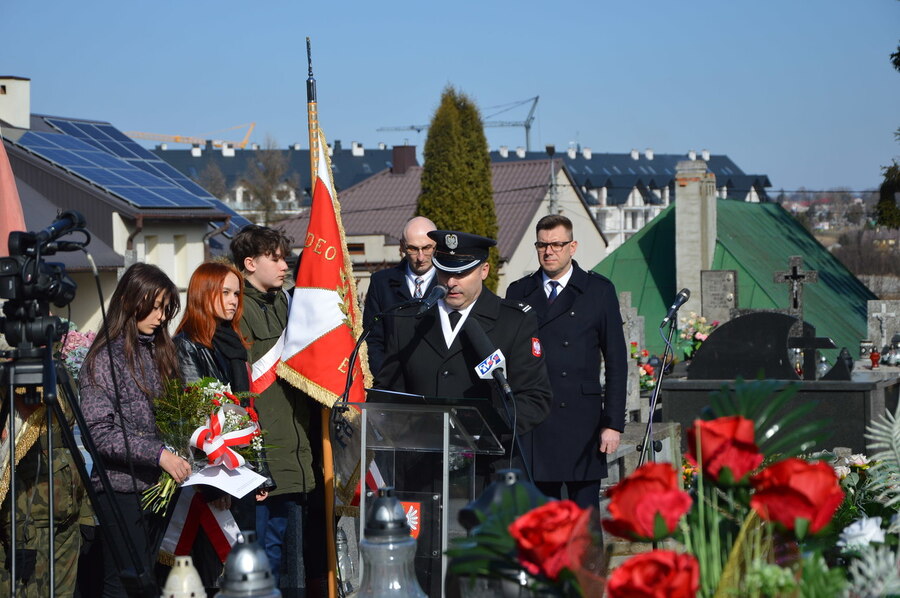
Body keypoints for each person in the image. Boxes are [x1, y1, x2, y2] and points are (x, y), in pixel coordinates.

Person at [375, 230, 553, 478]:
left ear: (484, 271)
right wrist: (412, 431)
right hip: (421, 472)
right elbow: (388, 394)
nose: (451, 282)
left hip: (488, 472)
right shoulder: (408, 321)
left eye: (461, 273)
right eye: (444, 272)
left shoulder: (513, 321)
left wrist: (478, 429)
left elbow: (534, 399)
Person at [79, 263, 192, 596]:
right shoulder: (104, 358)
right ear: (130, 301)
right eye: (154, 307)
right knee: (124, 582)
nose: (160, 317)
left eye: (166, 309)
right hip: (120, 489)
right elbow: (99, 433)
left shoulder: (162, 351)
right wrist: (159, 455)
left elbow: (175, 415)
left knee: (151, 581)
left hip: (161, 487)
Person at [505, 214, 628, 509]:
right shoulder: (519, 292)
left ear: (572, 247)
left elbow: (616, 361)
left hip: (582, 422)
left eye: (557, 244)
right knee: (540, 518)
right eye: (542, 245)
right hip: (535, 422)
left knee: (584, 519)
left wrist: (613, 424)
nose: (549, 251)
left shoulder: (598, 290)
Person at [173, 260, 272, 596]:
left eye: (236, 293)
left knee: (242, 572)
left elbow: (247, 412)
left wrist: (261, 471)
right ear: (204, 294)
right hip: (213, 479)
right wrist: (214, 487)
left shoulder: (232, 342)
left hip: (240, 473)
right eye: (225, 293)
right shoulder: (187, 345)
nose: (233, 301)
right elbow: (196, 419)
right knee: (218, 571)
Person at [230, 225, 318, 597]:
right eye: (275, 258)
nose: (285, 266)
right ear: (250, 263)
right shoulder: (238, 309)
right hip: (263, 454)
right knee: (261, 557)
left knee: (287, 558)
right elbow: (239, 391)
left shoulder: (286, 303)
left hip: (294, 451)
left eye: (285, 258)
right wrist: (254, 460)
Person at [363, 216, 438, 375]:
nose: (420, 257)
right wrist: (386, 378)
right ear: (402, 246)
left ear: (436, 246)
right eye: (413, 249)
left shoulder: (451, 283)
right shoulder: (381, 283)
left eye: (427, 248)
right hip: (392, 381)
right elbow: (373, 339)